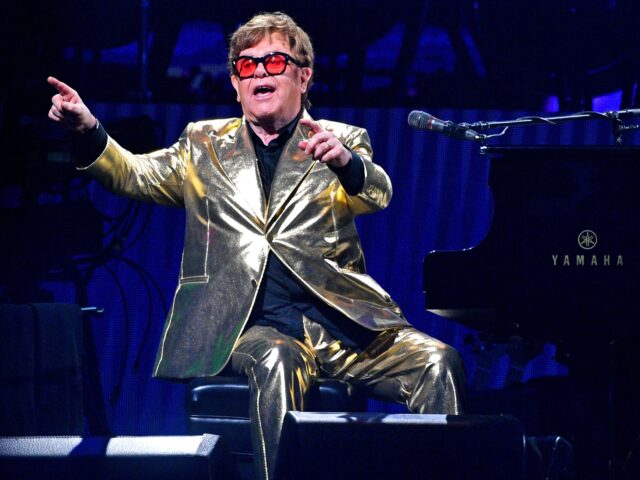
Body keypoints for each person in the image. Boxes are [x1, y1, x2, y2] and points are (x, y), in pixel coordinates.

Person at [48, 12, 466, 480]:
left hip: (342, 325)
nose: (260, 73)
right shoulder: (203, 143)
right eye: (247, 66)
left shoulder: (339, 139)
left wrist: (348, 164)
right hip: (251, 328)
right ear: (235, 82)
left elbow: (377, 193)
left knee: (439, 362)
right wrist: (88, 129)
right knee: (278, 358)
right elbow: (134, 173)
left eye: (273, 62)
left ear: (303, 76)